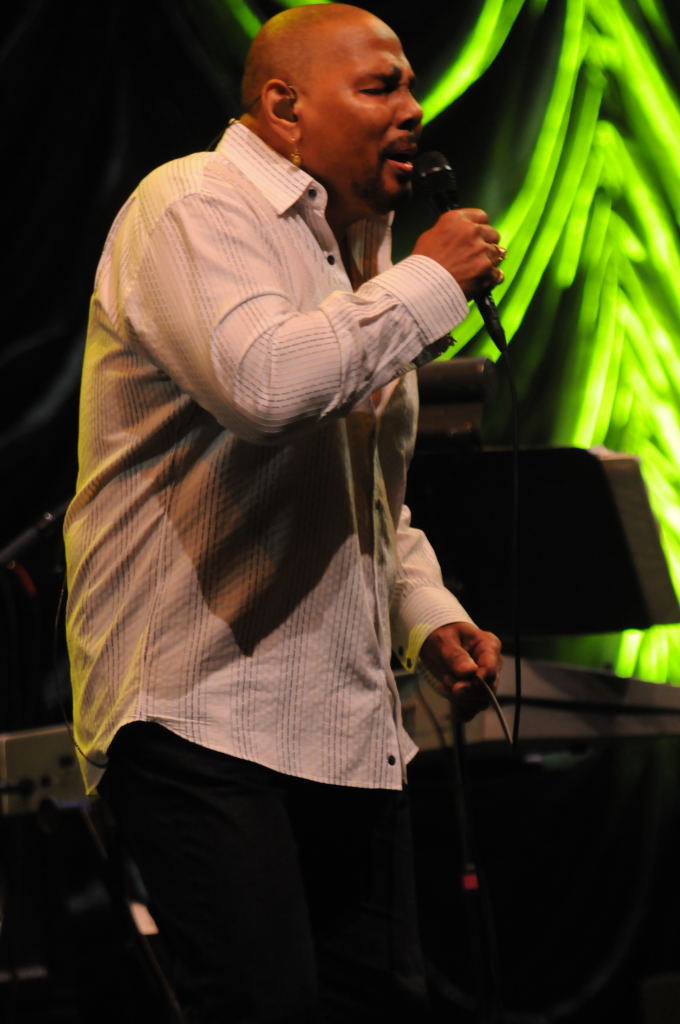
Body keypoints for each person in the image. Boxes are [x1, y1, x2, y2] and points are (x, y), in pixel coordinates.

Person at [65, 4, 504, 1022]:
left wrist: (426, 613)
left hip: (343, 724)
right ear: (283, 106)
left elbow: (363, 491)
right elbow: (265, 388)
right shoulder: (193, 204)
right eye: (381, 86)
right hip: (202, 712)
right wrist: (430, 281)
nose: (414, 107)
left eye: (411, 85)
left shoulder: (359, 253)